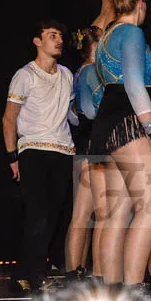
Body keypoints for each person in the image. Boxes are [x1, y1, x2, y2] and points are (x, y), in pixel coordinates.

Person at [90, 0, 151, 292]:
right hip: (129, 120)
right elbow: (134, 85)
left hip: (108, 123)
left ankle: (111, 293)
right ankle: (134, 291)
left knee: (118, 213)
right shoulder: (132, 33)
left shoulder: (106, 37)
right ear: (141, 3)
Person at [3, 21, 76, 292]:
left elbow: (70, 113)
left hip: (62, 150)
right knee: (38, 215)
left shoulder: (67, 75)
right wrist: (12, 157)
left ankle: (21, 276)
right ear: (38, 41)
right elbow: (8, 119)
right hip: (33, 149)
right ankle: (35, 276)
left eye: (60, 36)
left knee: (53, 217)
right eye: (52, 36)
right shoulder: (25, 75)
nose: (59, 40)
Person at [65, 26, 104, 283]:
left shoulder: (79, 73)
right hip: (94, 145)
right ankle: (100, 274)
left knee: (82, 213)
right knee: (100, 214)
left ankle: (75, 272)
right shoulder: (92, 72)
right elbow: (90, 112)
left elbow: (74, 115)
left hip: (84, 144)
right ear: (96, 46)